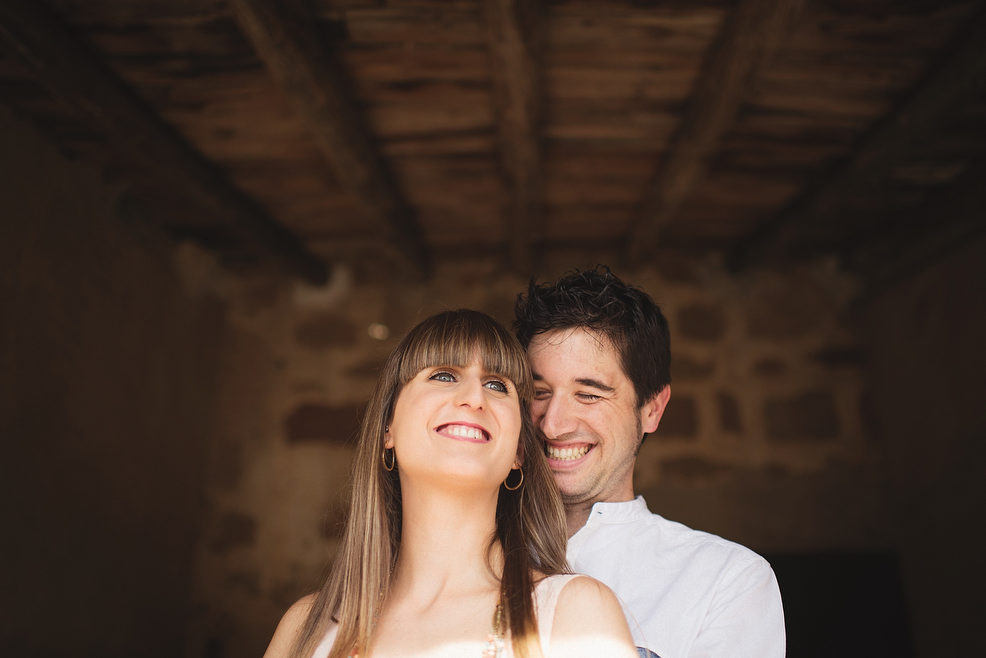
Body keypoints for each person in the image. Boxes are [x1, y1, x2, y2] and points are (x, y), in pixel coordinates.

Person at [264, 309, 638, 658]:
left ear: (519, 453)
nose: (474, 398)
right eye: (443, 376)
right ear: (387, 429)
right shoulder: (305, 628)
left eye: (497, 385)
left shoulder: (575, 614)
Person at [514, 268, 786, 658]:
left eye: (589, 394)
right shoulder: (466, 560)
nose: (554, 424)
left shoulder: (728, 580)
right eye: (539, 392)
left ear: (652, 409)